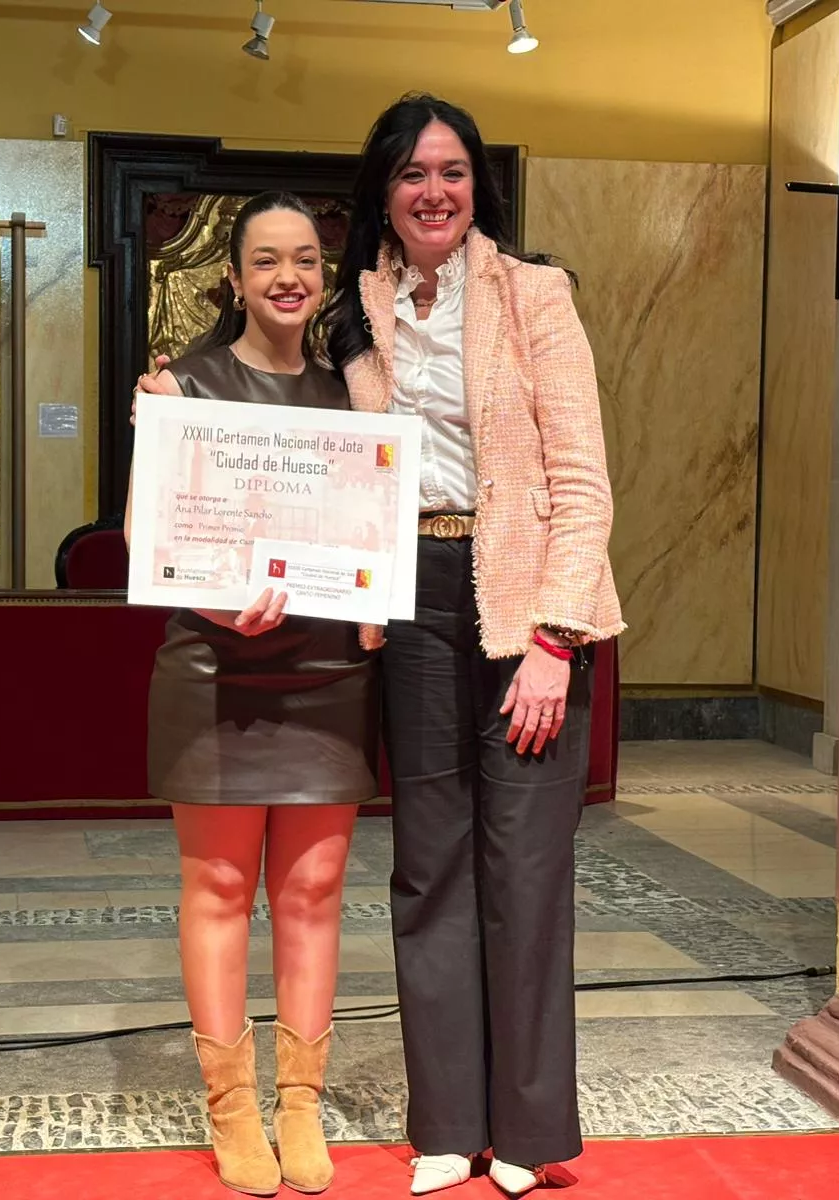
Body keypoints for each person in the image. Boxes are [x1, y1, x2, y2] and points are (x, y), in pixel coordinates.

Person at [323, 95, 624, 1197]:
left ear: (477, 186)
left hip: (525, 599)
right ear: (384, 196)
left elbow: (583, 483)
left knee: (526, 869)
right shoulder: (357, 308)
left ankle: (532, 1130)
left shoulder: (533, 294)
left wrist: (556, 639)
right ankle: (448, 1120)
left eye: (450, 171)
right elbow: (295, 431)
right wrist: (171, 403)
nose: (432, 191)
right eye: (410, 174)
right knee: (430, 867)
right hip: (409, 598)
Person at [127, 192, 377, 1197]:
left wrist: (373, 603)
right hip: (213, 665)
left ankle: (299, 1103)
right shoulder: (180, 387)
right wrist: (220, 603)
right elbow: (150, 539)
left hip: (328, 673)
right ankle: (230, 1105)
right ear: (231, 277)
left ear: (325, 277)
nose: (287, 277)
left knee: (312, 894)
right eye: (266, 260)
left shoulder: (353, 398)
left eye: (305, 260)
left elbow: (371, 539)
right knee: (221, 890)